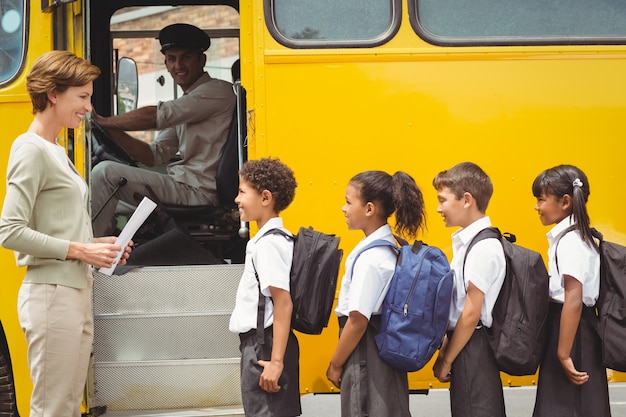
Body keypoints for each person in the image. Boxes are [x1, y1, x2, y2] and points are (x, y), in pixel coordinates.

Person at [0, 50, 132, 417]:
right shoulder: (31, 150)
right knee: (54, 409)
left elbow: (53, 225)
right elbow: (9, 230)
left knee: (69, 408)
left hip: (71, 293)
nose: (89, 108)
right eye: (83, 97)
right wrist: (80, 250)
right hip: (51, 297)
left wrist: (96, 247)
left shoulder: (55, 150)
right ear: (54, 94)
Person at [91, 23, 236, 237]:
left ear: (201, 60)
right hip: (184, 187)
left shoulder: (216, 91)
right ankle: (109, 249)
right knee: (106, 198)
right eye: (171, 59)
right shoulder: (189, 103)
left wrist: (103, 121)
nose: (178, 65)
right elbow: (154, 155)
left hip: (199, 192)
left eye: (186, 57)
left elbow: (156, 116)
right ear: (166, 64)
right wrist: (109, 131)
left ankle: (94, 258)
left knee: (104, 174)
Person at [326, 170, 426, 417]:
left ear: (369, 209)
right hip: (383, 348)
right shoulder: (392, 245)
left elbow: (358, 320)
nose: (343, 208)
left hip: (365, 354)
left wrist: (336, 364)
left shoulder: (372, 258)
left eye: (349, 202)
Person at [531, 165, 610, 416]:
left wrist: (564, 354)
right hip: (576, 328)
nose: (536, 207)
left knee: (566, 407)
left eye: (541, 200)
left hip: (571, 332)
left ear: (565, 201)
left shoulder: (570, 242)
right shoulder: (577, 236)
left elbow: (573, 300)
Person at [431, 162, 506, 417]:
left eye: (443, 200)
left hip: (473, 345)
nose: (438, 208)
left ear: (466, 200)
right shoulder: (470, 243)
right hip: (466, 344)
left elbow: (471, 313)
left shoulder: (483, 247)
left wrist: (447, 359)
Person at [228, 157, 300, 417]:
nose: (237, 199)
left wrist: (276, 362)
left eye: (242, 192)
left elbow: (282, 301)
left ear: (266, 198)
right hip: (264, 344)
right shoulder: (272, 240)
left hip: (264, 348)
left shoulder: (268, 245)